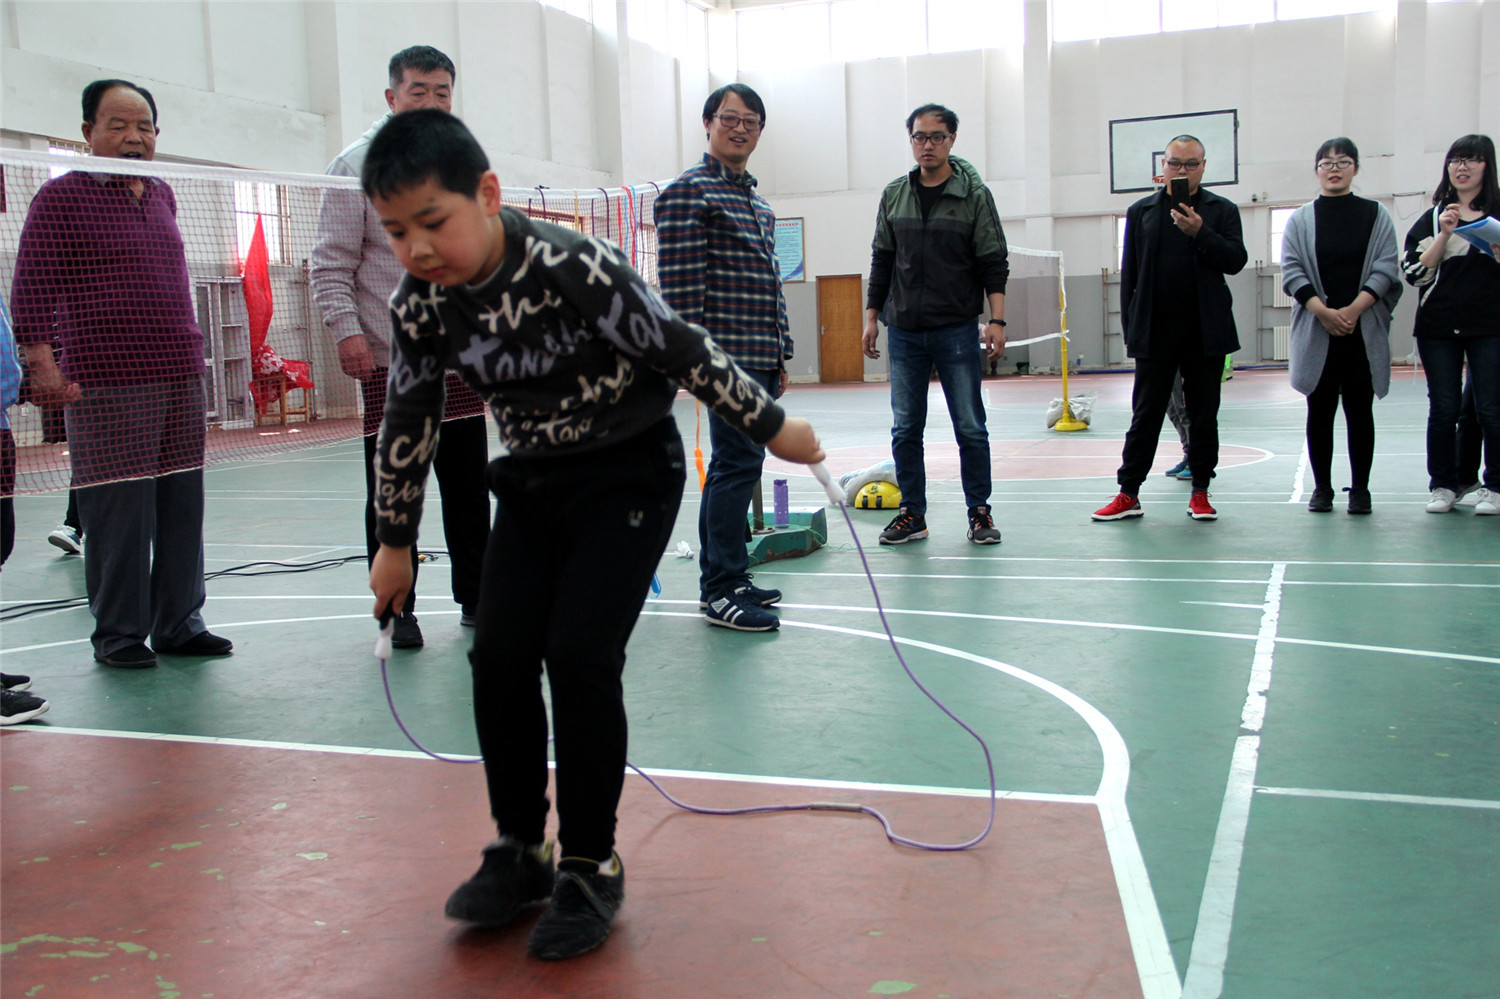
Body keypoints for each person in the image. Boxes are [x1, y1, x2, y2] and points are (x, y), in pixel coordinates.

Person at [361, 110, 823, 961]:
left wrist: (771, 425)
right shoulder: (421, 301)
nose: (418, 247)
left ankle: (588, 861)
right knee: (498, 655)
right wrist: (394, 539)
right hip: (534, 480)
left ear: (487, 196)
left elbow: (680, 346)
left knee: (578, 655)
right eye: (396, 231)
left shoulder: (571, 264)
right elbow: (410, 413)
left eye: (433, 221)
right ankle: (520, 851)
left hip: (629, 474)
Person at [10, 79, 231, 669]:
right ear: (88, 133)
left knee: (183, 504)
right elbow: (30, 289)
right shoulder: (61, 198)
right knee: (118, 513)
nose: (134, 138)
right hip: (106, 379)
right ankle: (120, 635)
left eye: (144, 127)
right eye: (118, 125)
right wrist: (43, 366)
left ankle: (180, 623)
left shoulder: (161, 195)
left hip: (180, 370)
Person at [311, 45, 491, 648]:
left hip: (460, 360)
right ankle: (397, 610)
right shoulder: (356, 165)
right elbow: (330, 263)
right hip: (391, 361)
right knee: (394, 490)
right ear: (392, 98)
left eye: (443, 92)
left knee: (469, 487)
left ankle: (478, 597)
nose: (433, 103)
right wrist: (347, 334)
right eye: (420, 91)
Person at [656, 83, 793, 632]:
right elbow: (682, 290)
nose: (741, 129)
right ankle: (720, 589)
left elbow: (770, 284)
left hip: (759, 355)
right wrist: (693, 360)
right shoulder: (689, 193)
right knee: (736, 464)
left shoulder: (757, 203)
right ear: (708, 124)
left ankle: (727, 574)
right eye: (730, 118)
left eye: (752, 122)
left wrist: (781, 351)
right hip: (721, 357)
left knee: (739, 466)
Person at [862, 103, 1007, 546]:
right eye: (920, 137)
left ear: (952, 140)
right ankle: (912, 514)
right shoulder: (894, 195)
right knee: (906, 428)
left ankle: (979, 512)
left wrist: (996, 319)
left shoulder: (974, 196)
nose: (928, 145)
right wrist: (872, 316)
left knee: (970, 426)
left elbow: (992, 262)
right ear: (911, 141)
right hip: (903, 330)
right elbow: (882, 259)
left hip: (956, 329)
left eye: (937, 137)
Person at [1093, 134, 1247, 523]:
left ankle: (1200, 491)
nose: (1182, 170)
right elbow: (1130, 278)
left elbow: (1235, 260)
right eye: (1175, 163)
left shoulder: (1221, 210)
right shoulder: (1142, 212)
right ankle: (1128, 493)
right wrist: (1132, 331)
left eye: (1190, 164)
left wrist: (1201, 232)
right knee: (1145, 414)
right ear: (1162, 167)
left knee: (1203, 414)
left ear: (1203, 167)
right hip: (1155, 333)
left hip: (1204, 332)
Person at [1280, 137, 1403, 515]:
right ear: (1316, 170)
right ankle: (1322, 489)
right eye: (1326, 163)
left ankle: (1361, 490)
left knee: (1359, 412)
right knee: (1319, 413)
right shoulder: (1300, 219)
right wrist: (1324, 312)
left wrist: (1352, 310)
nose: (1334, 168)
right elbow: (1292, 269)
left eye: (1343, 161)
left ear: (1356, 168)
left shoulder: (1376, 215)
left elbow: (1386, 267)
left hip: (1360, 333)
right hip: (1319, 330)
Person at [1402, 134, 1500, 516]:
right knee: (1442, 409)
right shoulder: (1434, 216)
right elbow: (1414, 273)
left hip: (1490, 326)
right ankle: (1444, 485)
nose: (1461, 167)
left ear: (1486, 166)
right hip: (1439, 327)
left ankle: (1493, 486)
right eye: (1455, 160)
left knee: (1491, 409)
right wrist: (1443, 234)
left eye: (1471, 160)